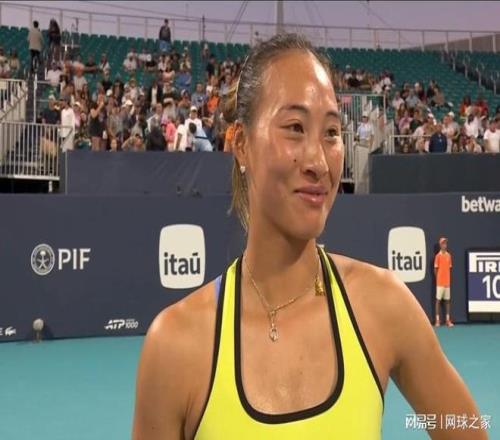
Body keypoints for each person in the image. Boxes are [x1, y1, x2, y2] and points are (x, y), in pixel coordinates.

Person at [132, 33, 485, 440]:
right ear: (242, 144)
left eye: (332, 132)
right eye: (295, 128)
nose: (318, 161)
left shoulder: (384, 305)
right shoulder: (176, 347)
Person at [434, 238, 453, 327]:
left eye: (445, 243)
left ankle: (447, 320)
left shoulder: (449, 256)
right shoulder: (438, 256)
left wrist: (447, 279)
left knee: (447, 301)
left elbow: (449, 268)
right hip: (440, 283)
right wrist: (438, 279)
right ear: (440, 245)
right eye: (443, 243)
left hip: (447, 283)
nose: (445, 245)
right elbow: (435, 269)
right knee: (438, 301)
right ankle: (437, 320)